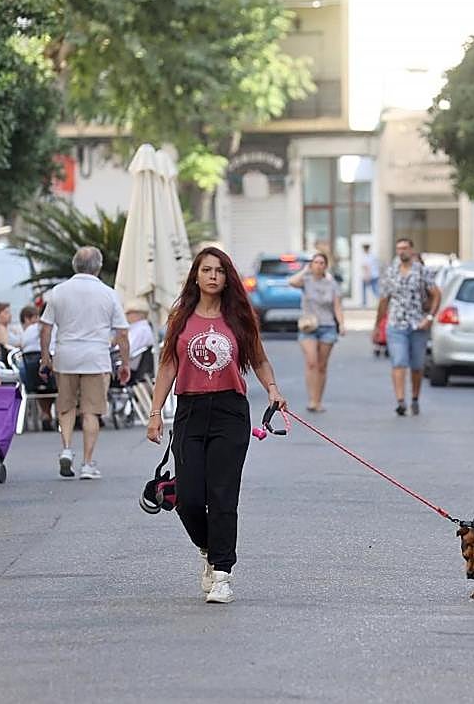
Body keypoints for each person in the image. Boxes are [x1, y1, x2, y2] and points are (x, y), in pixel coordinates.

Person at [145, 247, 288, 605]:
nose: (213, 276)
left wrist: (272, 389)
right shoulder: (180, 317)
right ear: (195, 276)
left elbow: (259, 360)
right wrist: (155, 412)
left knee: (223, 495)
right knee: (188, 498)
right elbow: (167, 365)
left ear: (227, 278)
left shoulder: (238, 316)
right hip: (190, 411)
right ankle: (208, 548)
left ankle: (223, 573)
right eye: (206, 270)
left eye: (219, 271)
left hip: (230, 411)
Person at [39, 246, 129, 480]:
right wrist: (125, 363)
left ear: (74, 265)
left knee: (66, 406)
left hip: (65, 356)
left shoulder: (58, 292)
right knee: (91, 411)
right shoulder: (108, 293)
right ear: (98, 267)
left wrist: (45, 357)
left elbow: (45, 328)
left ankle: (67, 449)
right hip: (96, 358)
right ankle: (88, 464)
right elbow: (122, 332)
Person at [377, 238, 440, 416]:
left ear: (412, 250)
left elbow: (436, 294)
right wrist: (378, 325)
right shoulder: (391, 272)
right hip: (396, 324)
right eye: (399, 248)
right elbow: (384, 299)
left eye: (405, 248)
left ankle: (415, 398)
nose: (402, 251)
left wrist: (429, 317)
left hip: (418, 324)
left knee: (417, 365)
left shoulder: (422, 271)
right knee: (399, 362)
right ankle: (400, 401)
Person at [288, 252, 344, 412]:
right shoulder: (305, 280)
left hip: (327, 327)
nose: (318, 265)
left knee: (321, 365)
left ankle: (318, 400)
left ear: (326, 266)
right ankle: (312, 399)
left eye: (321, 263)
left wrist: (341, 324)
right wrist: (305, 270)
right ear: (311, 265)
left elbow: (337, 306)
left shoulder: (332, 284)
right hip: (308, 327)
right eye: (315, 262)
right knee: (311, 362)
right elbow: (291, 282)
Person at [19, 304, 55, 430]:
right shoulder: (56, 329)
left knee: (41, 386)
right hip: (51, 374)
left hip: (31, 377)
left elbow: (22, 346)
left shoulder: (29, 330)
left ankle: (45, 413)